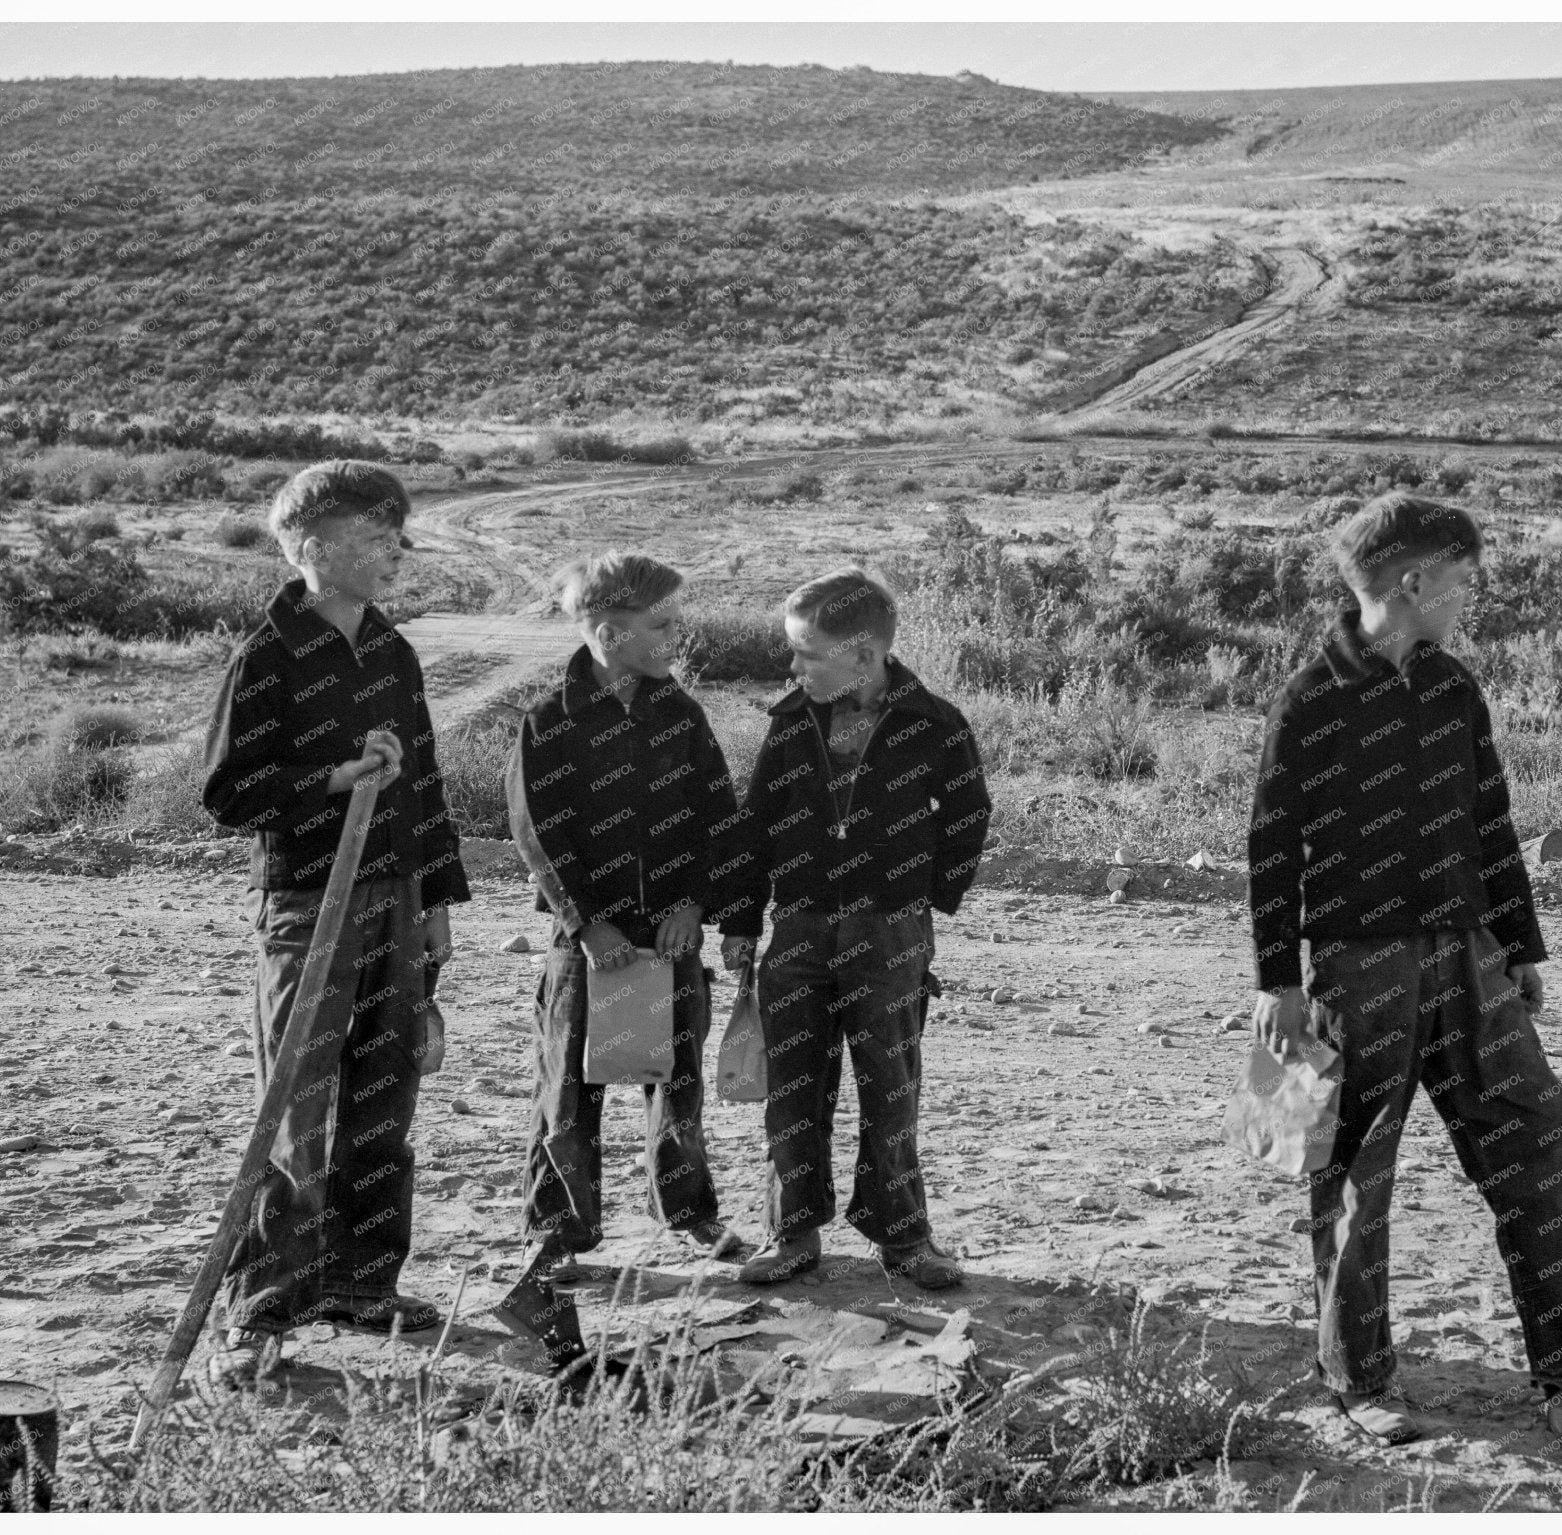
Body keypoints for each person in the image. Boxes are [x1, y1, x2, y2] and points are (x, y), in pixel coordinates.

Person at [1245, 491, 1562, 1446]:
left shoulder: (1453, 688)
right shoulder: (1313, 696)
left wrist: (1520, 946)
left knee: (1540, 1136)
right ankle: (1359, 1382)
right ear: (1413, 582)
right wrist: (1277, 980)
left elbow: (1491, 820)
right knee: (1355, 1175)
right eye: (1462, 585)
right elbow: (1272, 845)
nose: (1468, 602)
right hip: (1358, 968)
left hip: (1471, 956)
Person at [201, 460, 467, 1387]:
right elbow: (227, 792)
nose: (391, 550)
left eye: (395, 534)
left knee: (386, 1092)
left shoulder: (394, 652)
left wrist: (436, 902)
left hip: (395, 895)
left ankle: (361, 1282)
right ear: (309, 547)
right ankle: (265, 1303)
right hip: (307, 899)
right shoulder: (266, 656)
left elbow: (425, 783)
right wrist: (330, 783)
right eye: (370, 536)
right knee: (296, 1104)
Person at [719, 568, 992, 1290]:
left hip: (891, 934)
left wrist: (920, 897)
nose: (794, 666)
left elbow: (968, 818)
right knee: (793, 1089)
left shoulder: (936, 724)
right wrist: (742, 921)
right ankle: (793, 1231)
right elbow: (756, 829)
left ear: (864, 655)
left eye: (808, 653)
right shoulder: (788, 725)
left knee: (891, 1087)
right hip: (799, 930)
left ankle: (904, 1237)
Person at [507, 552, 747, 1287]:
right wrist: (587, 925)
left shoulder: (683, 715)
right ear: (609, 633)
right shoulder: (549, 723)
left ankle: (690, 1212)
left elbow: (719, 821)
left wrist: (696, 903)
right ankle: (555, 1230)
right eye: (662, 623)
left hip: (670, 939)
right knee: (567, 1088)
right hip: (583, 947)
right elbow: (536, 833)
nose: (677, 634)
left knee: (676, 1082)